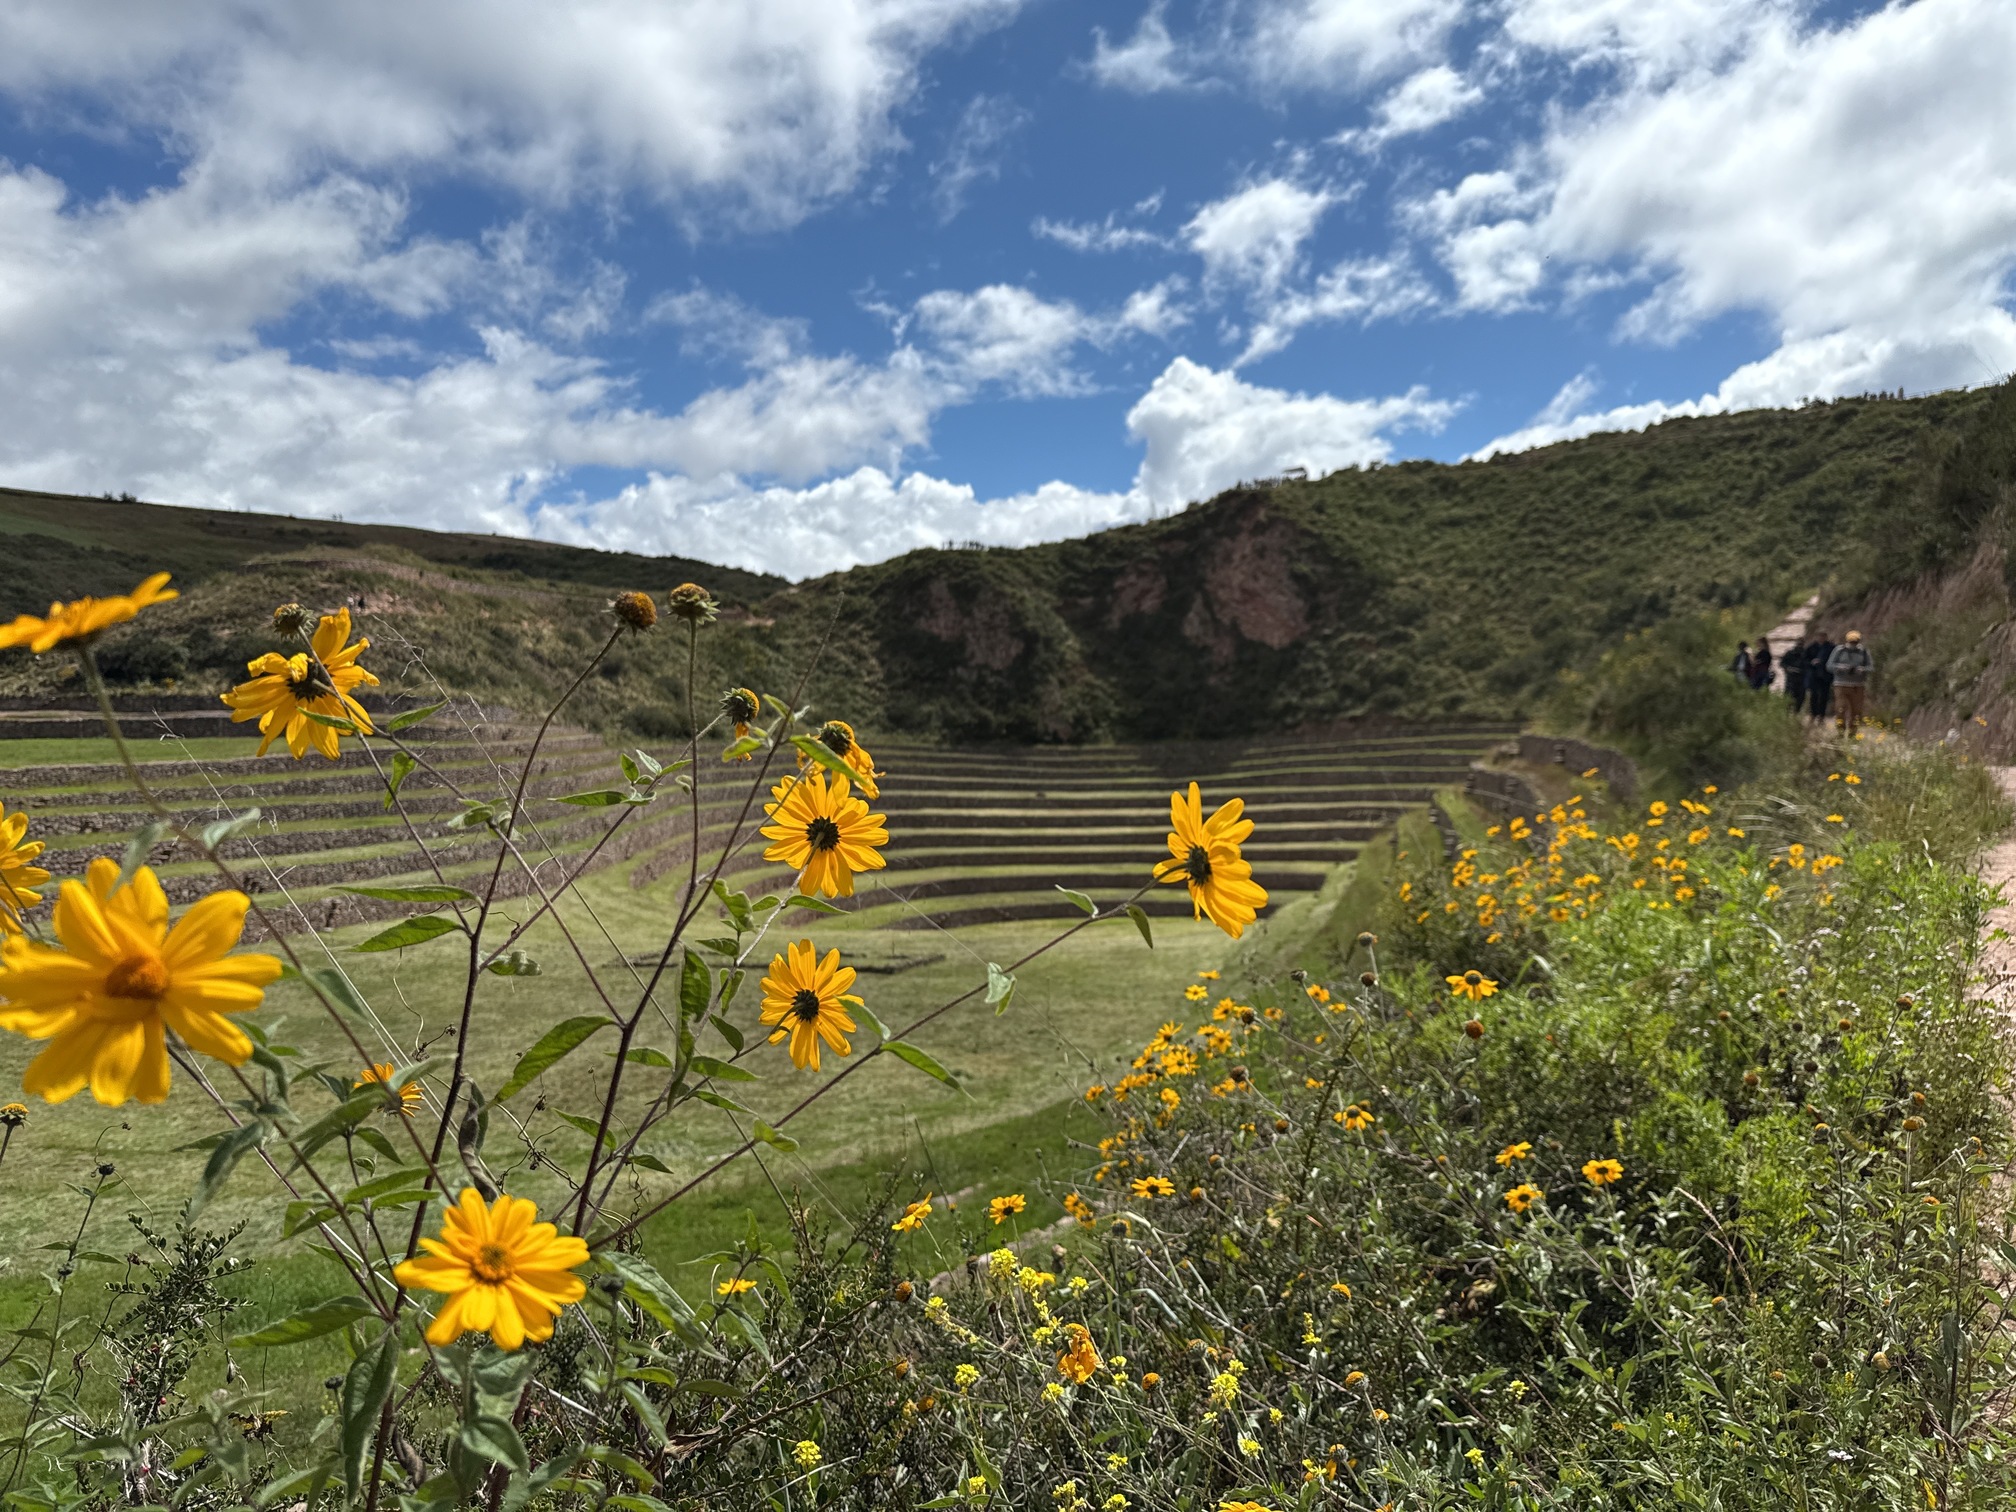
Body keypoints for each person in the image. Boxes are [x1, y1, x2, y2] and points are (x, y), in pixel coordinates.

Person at [1827, 630, 1873, 733]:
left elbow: (1870, 667)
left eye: (1855, 642)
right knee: (1840, 708)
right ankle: (1840, 731)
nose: (1853, 644)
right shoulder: (1839, 651)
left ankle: (1853, 732)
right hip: (1841, 684)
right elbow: (1829, 665)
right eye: (1851, 642)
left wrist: (1862, 669)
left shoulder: (1864, 652)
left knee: (1856, 711)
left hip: (1858, 686)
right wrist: (1841, 668)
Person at [1805, 632, 1835, 723]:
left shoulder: (1831, 648)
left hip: (1825, 675)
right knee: (1813, 696)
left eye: (1823, 636)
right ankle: (1813, 715)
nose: (1821, 638)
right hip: (1814, 675)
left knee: (1824, 696)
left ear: (1826, 637)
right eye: (1819, 636)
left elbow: (1834, 659)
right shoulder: (1811, 647)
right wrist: (1811, 662)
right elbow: (1805, 659)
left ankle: (1821, 716)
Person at [1781, 636, 1808, 710]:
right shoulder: (1790, 653)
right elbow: (1782, 663)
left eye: (1801, 643)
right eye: (1798, 643)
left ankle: (1796, 713)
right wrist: (1788, 668)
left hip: (1801, 678)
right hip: (1791, 678)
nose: (1800, 645)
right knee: (1788, 698)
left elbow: (1808, 665)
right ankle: (1786, 713)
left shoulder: (1806, 653)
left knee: (1800, 699)